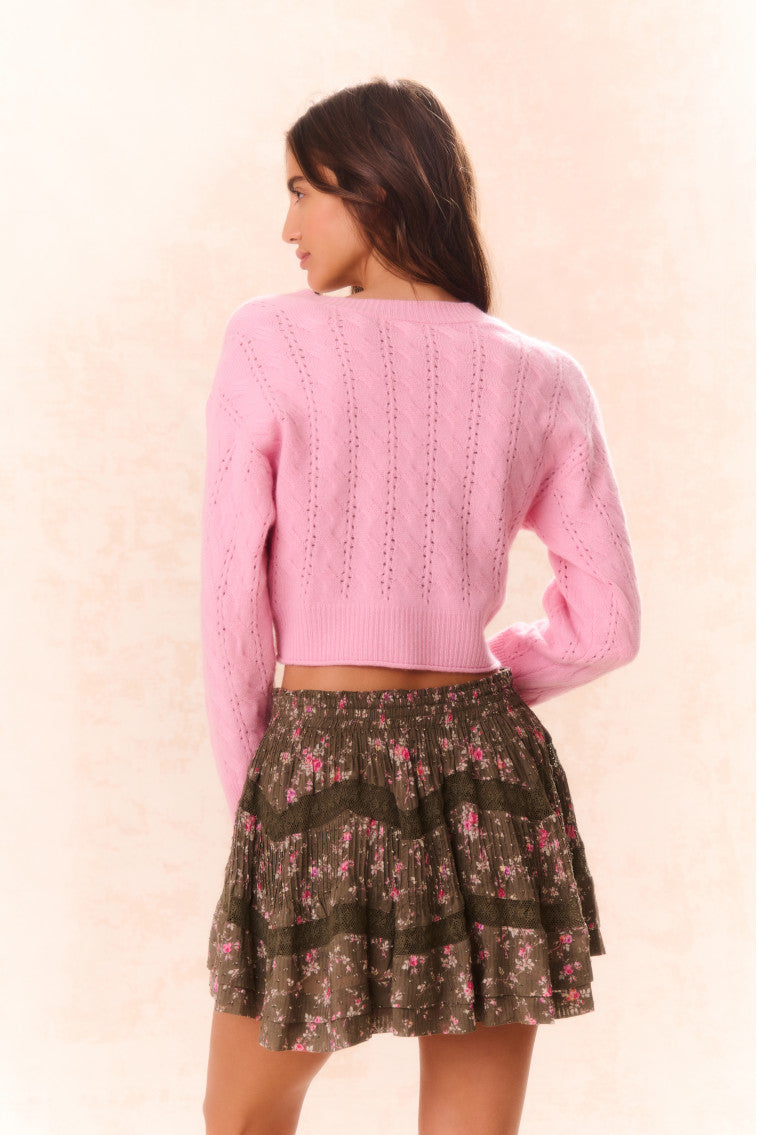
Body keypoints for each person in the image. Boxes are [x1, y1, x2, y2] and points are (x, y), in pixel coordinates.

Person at [200, 77, 641, 1135]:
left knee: (242, 1119)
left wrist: (256, 791)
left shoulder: (271, 341)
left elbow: (230, 598)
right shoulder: (542, 373)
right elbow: (606, 627)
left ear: (375, 187)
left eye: (302, 192)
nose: (288, 227)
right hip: (487, 767)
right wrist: (473, 686)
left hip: (320, 756)